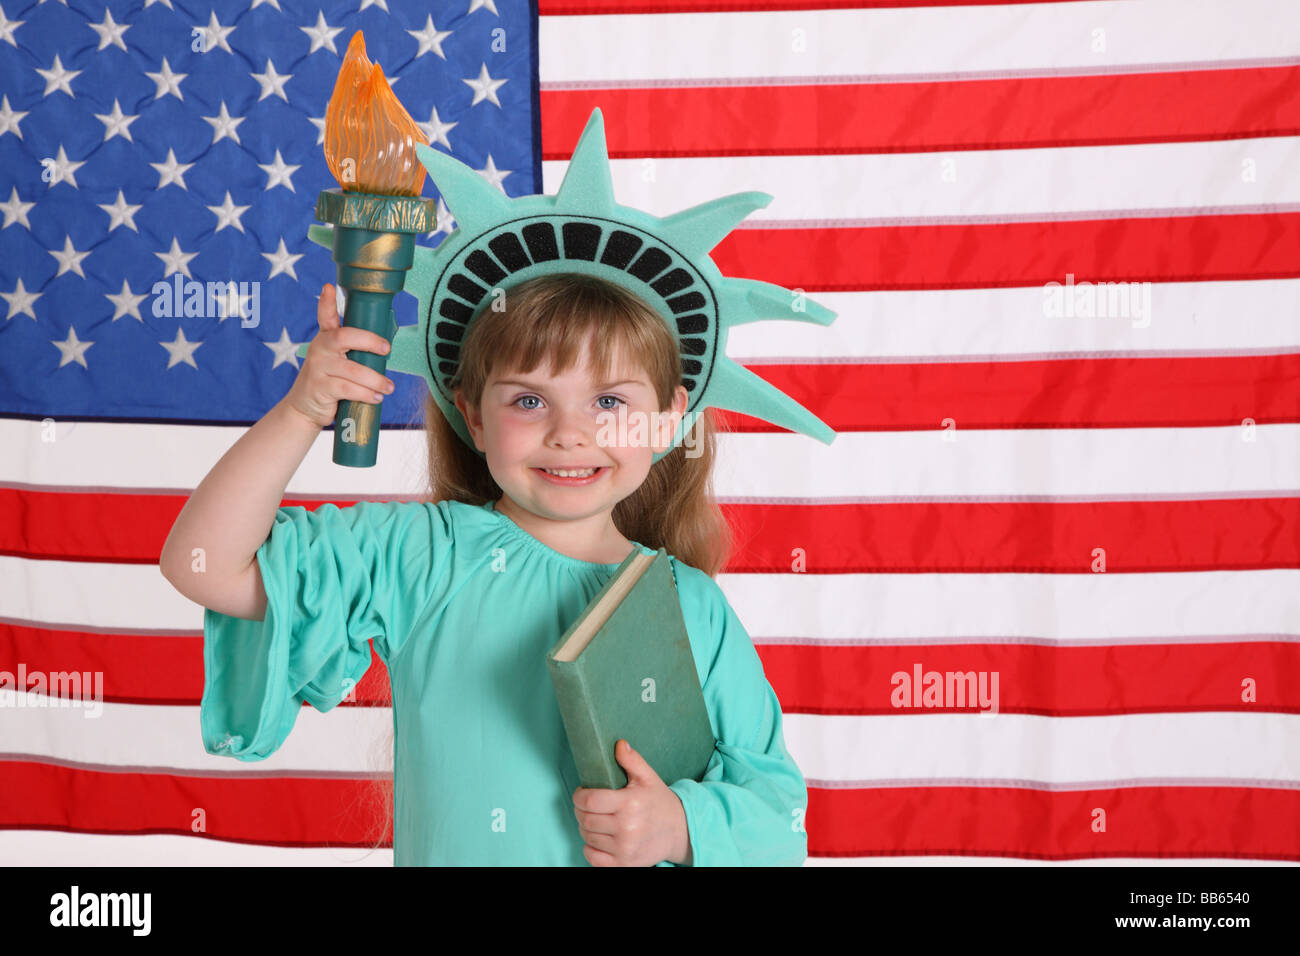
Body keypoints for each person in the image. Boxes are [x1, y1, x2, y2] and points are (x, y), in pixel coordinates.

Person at [160, 271, 810, 866]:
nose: (569, 432)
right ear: (472, 414)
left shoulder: (690, 606)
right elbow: (206, 566)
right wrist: (302, 411)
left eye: (608, 401)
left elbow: (778, 817)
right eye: (529, 401)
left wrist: (679, 825)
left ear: (668, 419)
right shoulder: (421, 555)